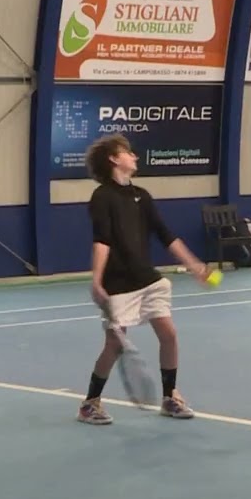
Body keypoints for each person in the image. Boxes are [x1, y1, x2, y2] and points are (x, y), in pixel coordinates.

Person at [78, 134, 211, 425]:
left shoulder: (142, 196)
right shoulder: (102, 197)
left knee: (169, 334)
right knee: (114, 345)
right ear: (114, 159)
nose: (134, 156)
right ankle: (90, 403)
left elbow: (165, 234)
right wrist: (96, 280)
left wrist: (194, 265)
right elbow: (102, 241)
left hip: (148, 279)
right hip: (118, 283)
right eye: (128, 153)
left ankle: (170, 397)